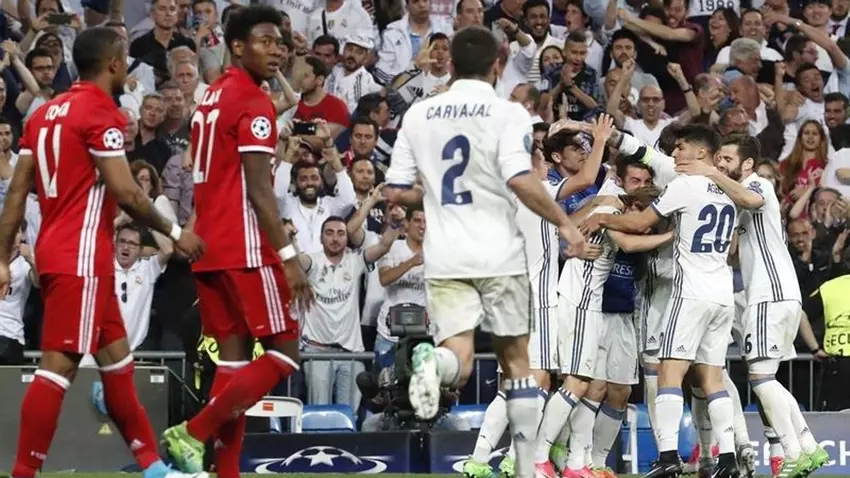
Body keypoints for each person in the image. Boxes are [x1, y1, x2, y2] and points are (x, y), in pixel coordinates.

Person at [0, 27, 205, 478]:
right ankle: (23, 473)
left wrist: (0, 258)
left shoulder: (44, 114)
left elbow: (16, 191)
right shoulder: (100, 113)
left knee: (118, 367)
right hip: (81, 258)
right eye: (124, 56)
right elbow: (127, 193)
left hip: (62, 252)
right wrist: (176, 231)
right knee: (56, 370)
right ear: (113, 63)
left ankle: (154, 468)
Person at [384, 26, 587, 478]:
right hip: (497, 253)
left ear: (450, 64)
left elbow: (396, 192)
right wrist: (566, 223)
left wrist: (426, 196)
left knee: (458, 361)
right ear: (497, 65)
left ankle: (432, 362)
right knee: (519, 366)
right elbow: (520, 179)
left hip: (446, 252)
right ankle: (525, 468)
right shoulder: (507, 113)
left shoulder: (420, 114)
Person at [159, 6, 314, 477]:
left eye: (280, 43)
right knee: (284, 353)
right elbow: (259, 190)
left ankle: (223, 471)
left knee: (232, 366)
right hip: (245, 247)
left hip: (210, 246)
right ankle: (194, 430)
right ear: (238, 46)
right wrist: (288, 257)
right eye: (264, 42)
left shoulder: (211, 97)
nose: (276, 51)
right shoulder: (252, 102)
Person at [581, 124, 740, 478]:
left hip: (691, 292)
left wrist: (603, 216)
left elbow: (640, 222)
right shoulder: (730, 190)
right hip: (722, 293)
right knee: (713, 379)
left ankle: (668, 456)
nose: (676, 154)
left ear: (701, 152)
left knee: (668, 372)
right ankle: (727, 458)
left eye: (681, 148)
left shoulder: (685, 185)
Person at [675, 134, 829, 478]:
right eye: (719, 158)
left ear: (746, 163)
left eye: (727, 159)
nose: (720, 163)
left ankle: (792, 452)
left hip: (768, 295)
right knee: (767, 379)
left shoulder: (757, 183)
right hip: (780, 296)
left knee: (760, 379)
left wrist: (709, 172)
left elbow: (751, 199)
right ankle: (808, 446)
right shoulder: (736, 194)